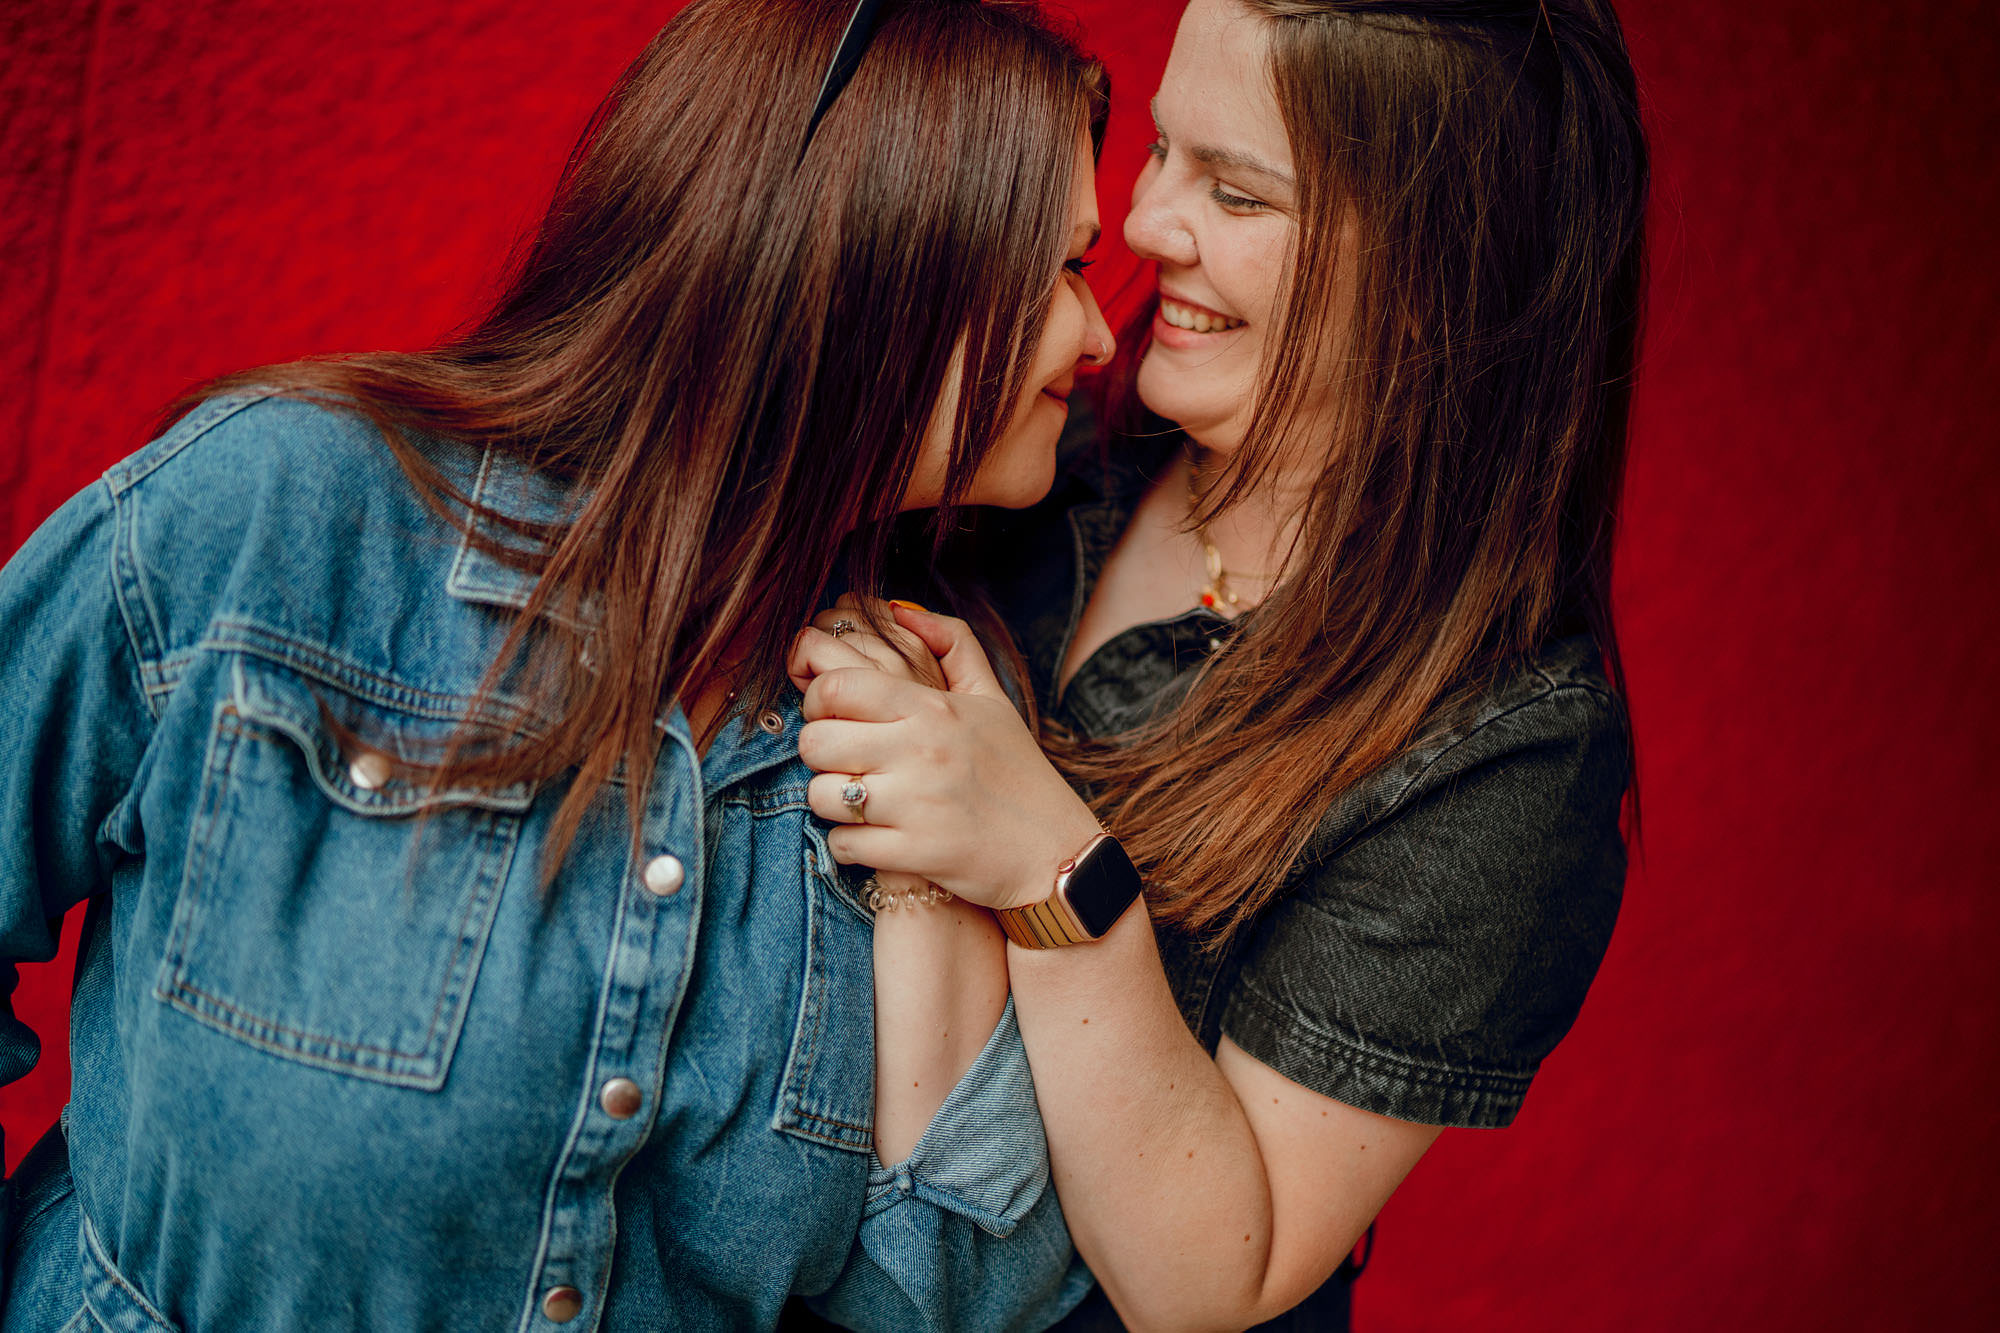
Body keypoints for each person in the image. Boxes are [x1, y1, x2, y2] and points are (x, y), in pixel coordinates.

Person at [0, 0, 1115, 1328]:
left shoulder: (924, 704)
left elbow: (950, 1300)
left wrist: (946, 879)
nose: (1099, 335)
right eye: (1061, 269)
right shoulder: (276, 521)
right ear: (889, 270)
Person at [792, 0, 1648, 1327]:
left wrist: (1056, 876)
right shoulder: (1034, 458)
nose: (1141, 226)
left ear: (1444, 273)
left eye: (1237, 192)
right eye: (1162, 152)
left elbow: (1206, 1277)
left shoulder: (1506, 737)